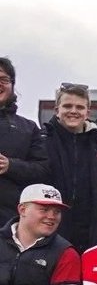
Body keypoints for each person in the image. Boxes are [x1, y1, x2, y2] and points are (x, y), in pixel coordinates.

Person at [41, 83, 97, 250]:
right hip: (47, 237)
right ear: (56, 110)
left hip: (94, 240)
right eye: (67, 106)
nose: (73, 111)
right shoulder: (40, 144)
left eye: (80, 107)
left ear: (87, 113)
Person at [0, 57, 50, 221]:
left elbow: (43, 170)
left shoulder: (28, 128)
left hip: (9, 221)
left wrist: (10, 166)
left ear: (12, 85)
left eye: (4, 80)